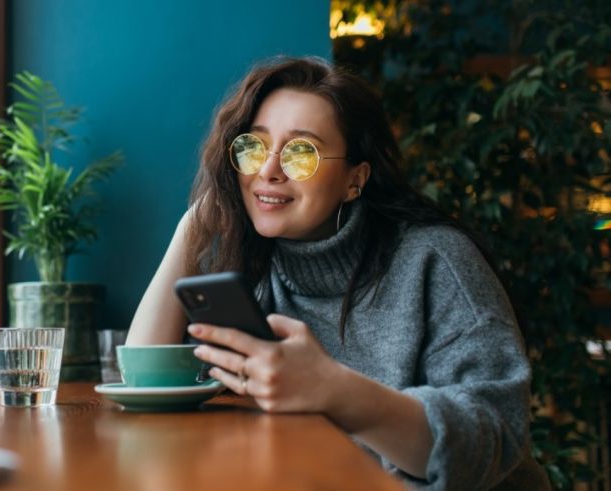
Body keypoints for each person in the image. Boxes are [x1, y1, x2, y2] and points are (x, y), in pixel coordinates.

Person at [126, 56, 550, 490]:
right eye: (254, 146)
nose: (268, 170)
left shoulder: (436, 259)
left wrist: (335, 391)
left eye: (301, 153)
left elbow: (494, 436)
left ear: (355, 179)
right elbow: (143, 381)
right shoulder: (254, 274)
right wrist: (189, 231)